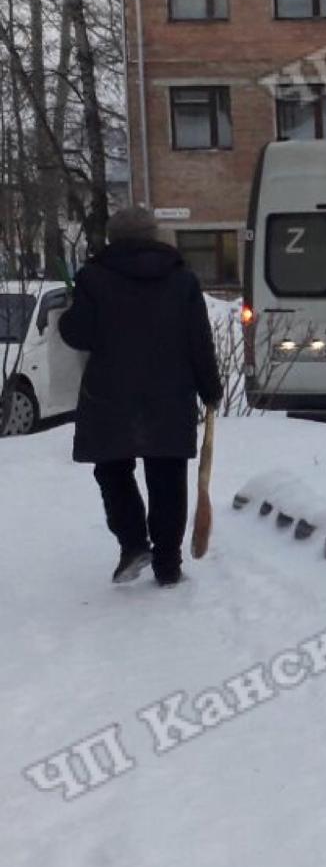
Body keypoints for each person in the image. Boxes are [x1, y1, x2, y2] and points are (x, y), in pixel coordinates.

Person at [58, 206, 223, 587]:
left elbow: (78, 335)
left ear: (114, 238)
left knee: (113, 470)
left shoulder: (93, 278)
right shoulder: (182, 280)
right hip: (170, 394)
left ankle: (133, 544)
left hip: (109, 395)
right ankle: (168, 565)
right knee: (167, 475)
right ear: (154, 236)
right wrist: (210, 388)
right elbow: (199, 341)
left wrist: (70, 313)